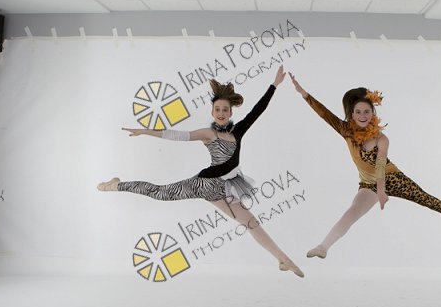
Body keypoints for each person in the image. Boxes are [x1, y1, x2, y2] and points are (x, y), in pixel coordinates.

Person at [98, 66, 303, 277]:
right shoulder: (209, 133)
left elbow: (258, 110)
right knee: (160, 193)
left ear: (231, 113)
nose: (221, 113)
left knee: (252, 223)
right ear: (212, 112)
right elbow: (177, 135)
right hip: (203, 184)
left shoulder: (238, 132)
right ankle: (116, 184)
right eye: (217, 110)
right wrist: (145, 131)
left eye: (225, 110)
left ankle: (283, 259)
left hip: (226, 188)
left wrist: (274, 85)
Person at [289, 73, 441, 259]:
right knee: (351, 212)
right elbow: (324, 114)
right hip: (368, 184)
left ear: (373, 113)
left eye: (367, 111)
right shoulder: (346, 131)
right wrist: (303, 93)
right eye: (358, 112)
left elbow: (380, 167)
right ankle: (323, 247)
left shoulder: (381, 139)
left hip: (392, 178)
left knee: (424, 198)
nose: (363, 116)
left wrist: (382, 191)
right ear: (352, 115)